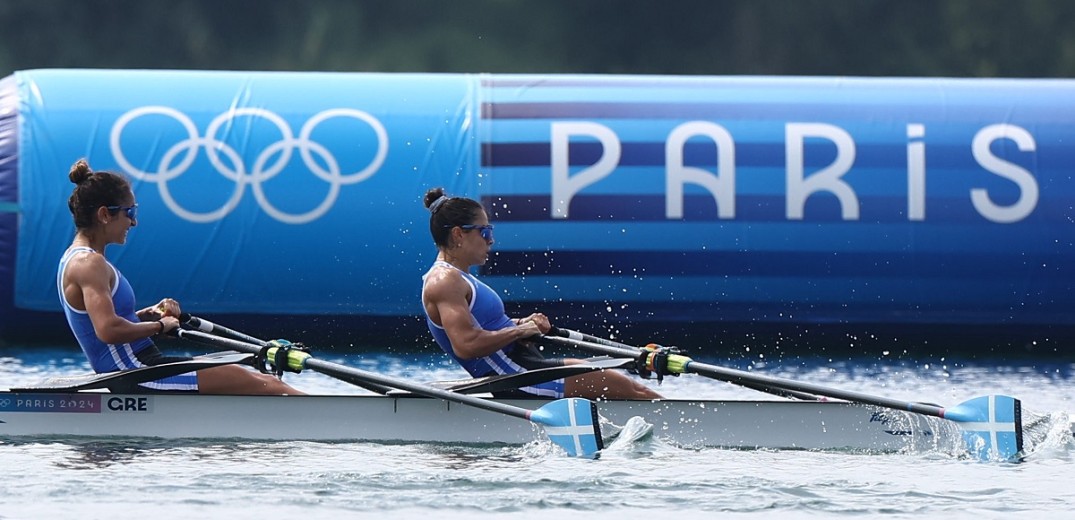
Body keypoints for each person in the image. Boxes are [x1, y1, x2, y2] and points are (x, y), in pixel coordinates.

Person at [57, 158, 302, 395]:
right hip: (135, 371)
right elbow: (107, 331)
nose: (134, 222)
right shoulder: (89, 263)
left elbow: (103, 322)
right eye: (129, 211)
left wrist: (146, 315)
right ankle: (333, 427)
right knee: (272, 386)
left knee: (260, 377)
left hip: (140, 365)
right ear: (104, 215)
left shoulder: (75, 258)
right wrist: (160, 326)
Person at [420, 187, 662, 400]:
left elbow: (486, 327)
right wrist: (520, 331)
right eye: (484, 232)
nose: (491, 240)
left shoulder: (460, 278)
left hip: (526, 366)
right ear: (458, 234)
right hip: (517, 376)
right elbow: (466, 344)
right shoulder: (444, 281)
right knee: (640, 394)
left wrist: (520, 324)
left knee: (635, 391)